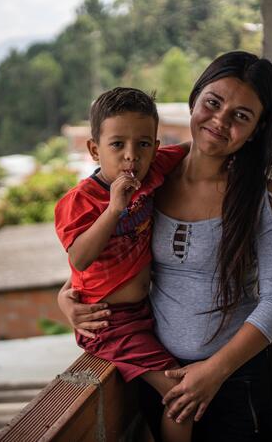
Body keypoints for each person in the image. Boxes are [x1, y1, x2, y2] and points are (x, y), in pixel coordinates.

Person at [58, 51, 272, 441]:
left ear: (257, 128)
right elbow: (104, 256)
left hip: (237, 382)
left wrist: (214, 371)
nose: (220, 121)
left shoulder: (263, 199)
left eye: (241, 115)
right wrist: (67, 299)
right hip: (163, 372)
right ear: (195, 99)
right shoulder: (147, 179)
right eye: (213, 102)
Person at [54, 86, 192, 441]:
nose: (132, 157)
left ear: (156, 147)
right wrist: (114, 209)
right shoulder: (80, 201)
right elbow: (80, 258)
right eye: (117, 145)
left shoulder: (154, 169)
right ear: (94, 149)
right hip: (110, 324)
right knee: (181, 393)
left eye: (143, 144)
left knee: (162, 394)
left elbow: (197, 148)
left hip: (146, 311)